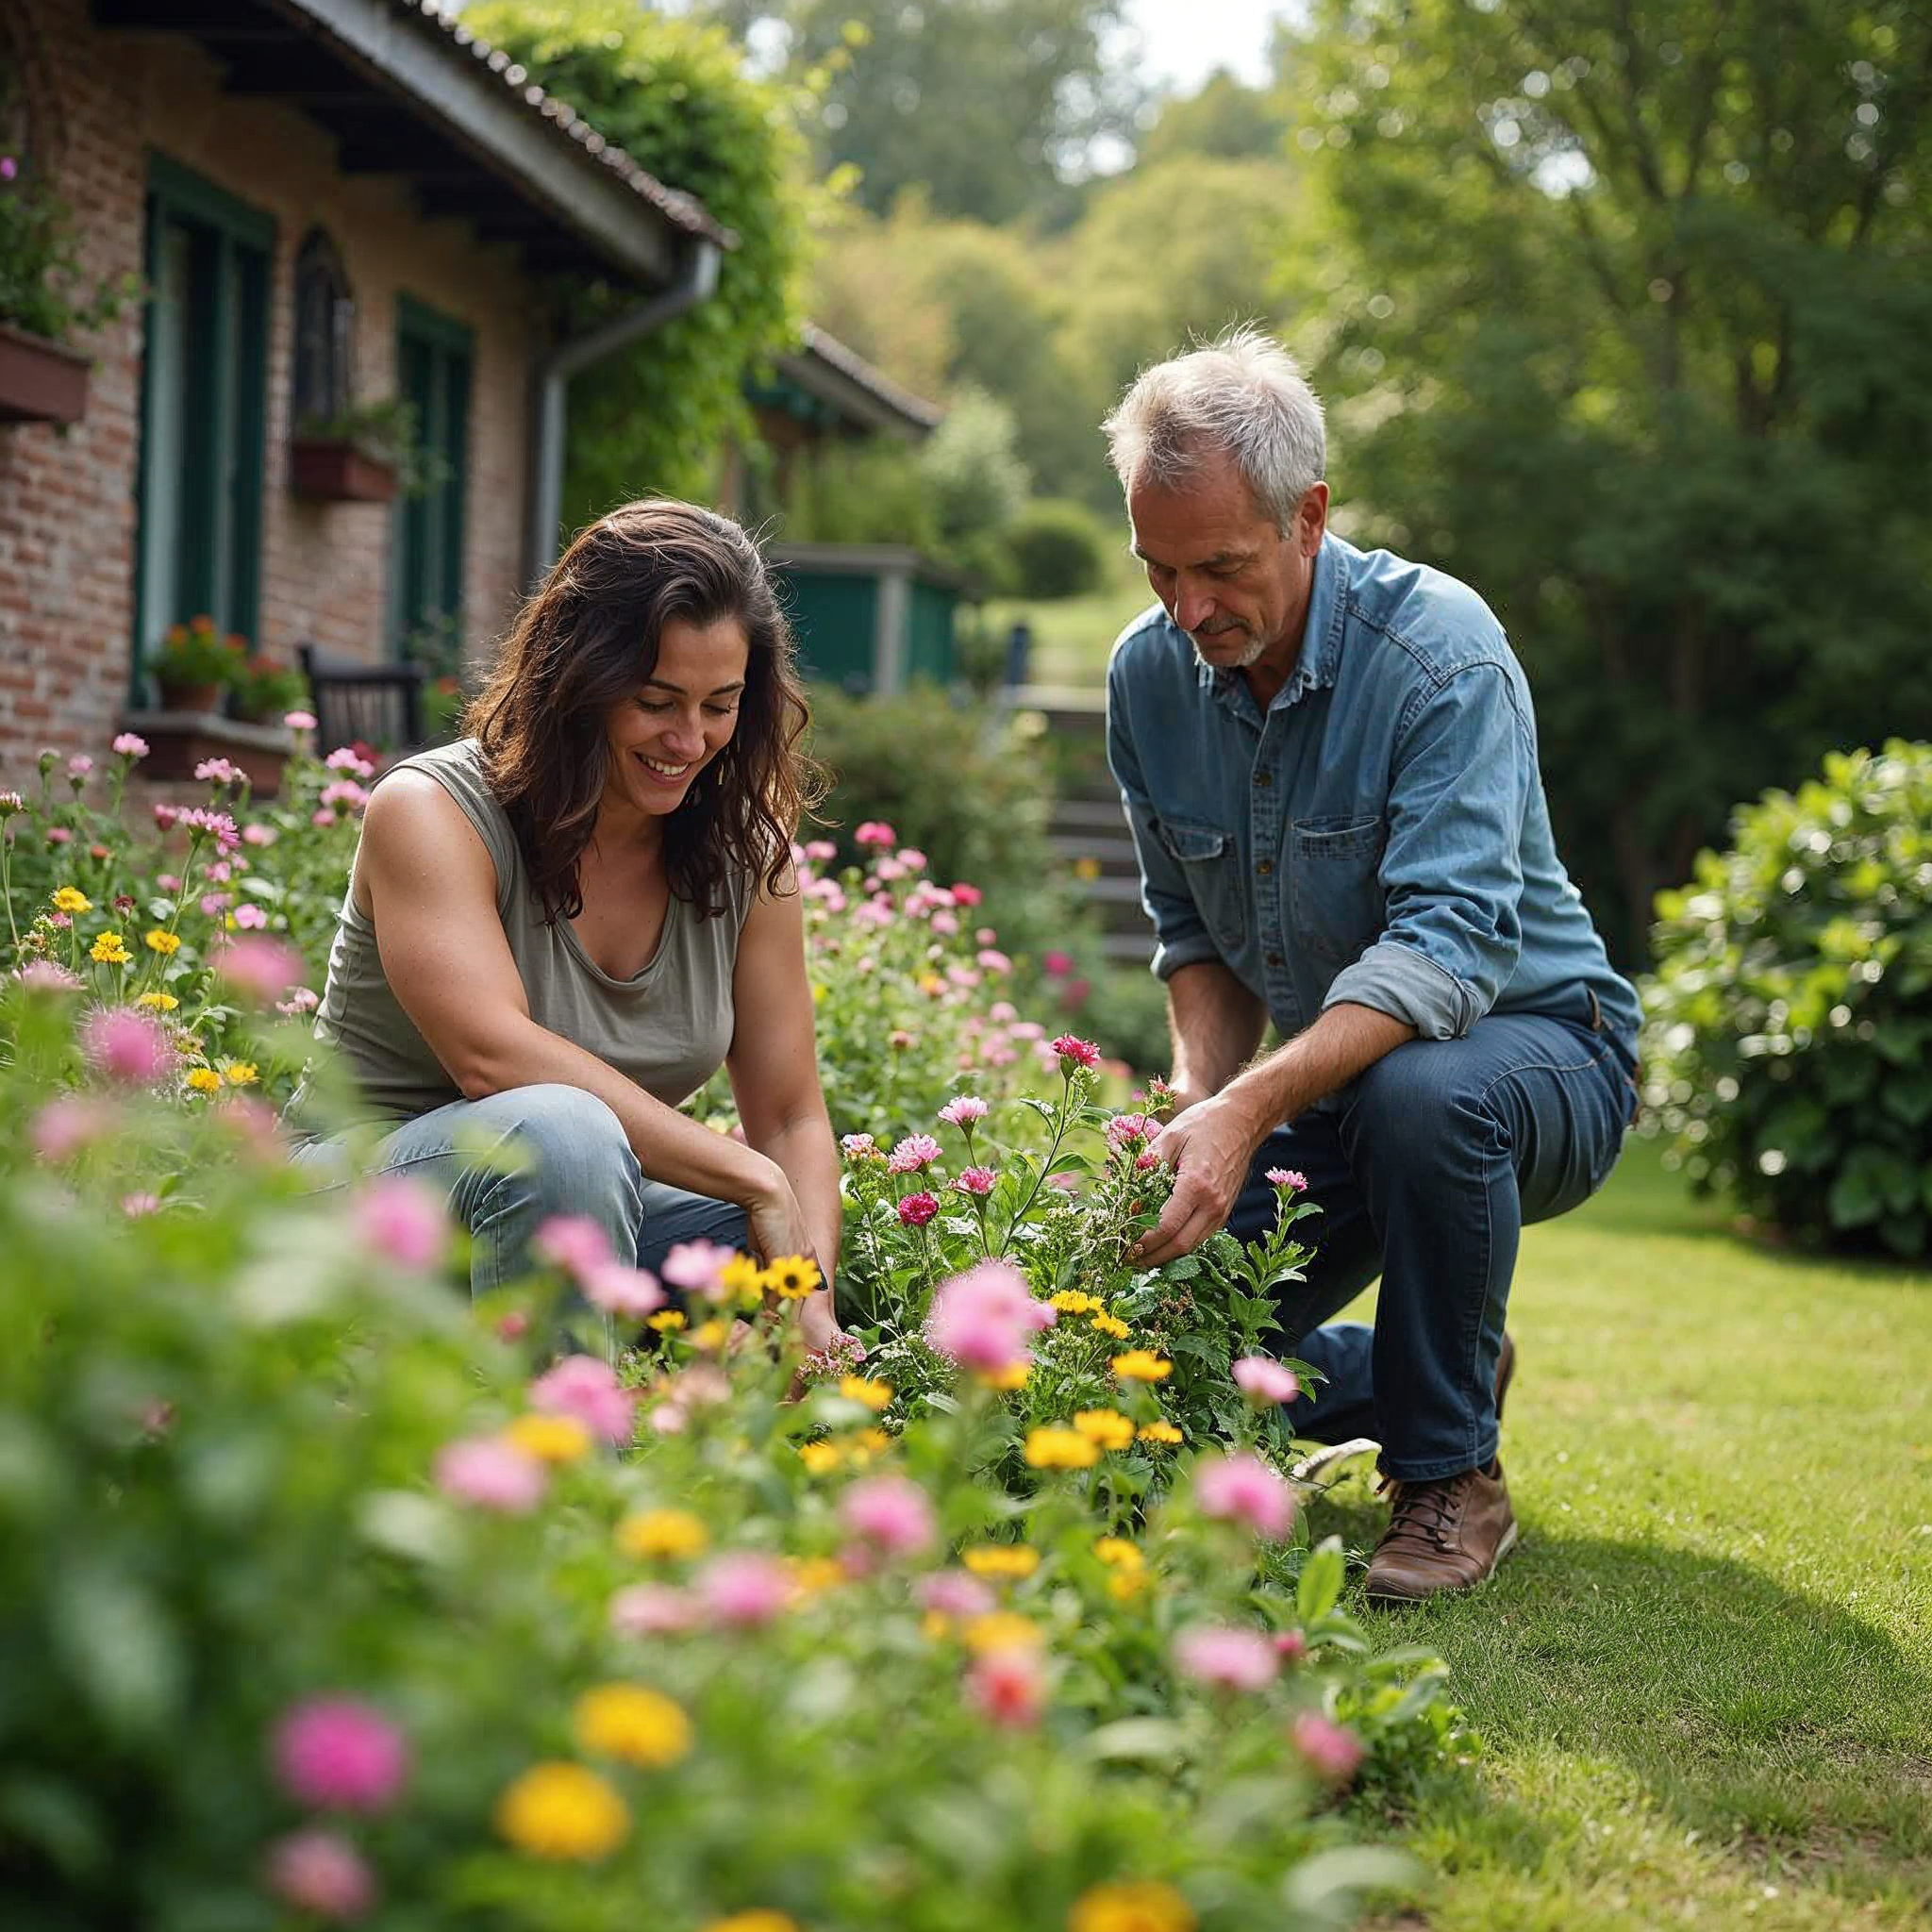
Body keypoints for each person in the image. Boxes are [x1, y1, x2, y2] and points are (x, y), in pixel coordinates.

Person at [1102, 328, 1641, 1603]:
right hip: (1328, 1086)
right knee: (1129, 1352)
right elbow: (1196, 935)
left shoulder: (1439, 656)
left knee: (1424, 1091)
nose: (1188, 610)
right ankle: (1416, 1369)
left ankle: (1449, 1474)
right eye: (1159, 569)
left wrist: (1249, 1107)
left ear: (1308, 517)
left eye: (1220, 568)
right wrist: (1196, 1105)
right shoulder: (1148, 677)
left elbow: (1446, 951)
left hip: (1540, 1054)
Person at [293, 499, 841, 1356]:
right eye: (656, 701)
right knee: (564, 1132)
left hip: (572, 1209)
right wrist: (752, 1176)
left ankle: (725, 1409)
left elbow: (790, 1114)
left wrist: (807, 1299)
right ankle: (561, 1437)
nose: (688, 739)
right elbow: (493, 1058)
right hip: (363, 1208)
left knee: (781, 1239)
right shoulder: (432, 809)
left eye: (720, 705)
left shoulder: (743, 857)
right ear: (581, 680)